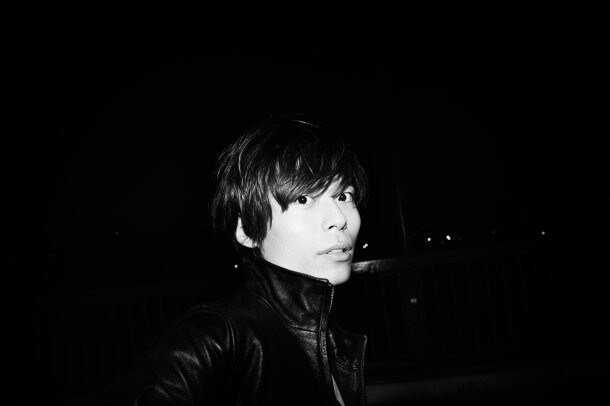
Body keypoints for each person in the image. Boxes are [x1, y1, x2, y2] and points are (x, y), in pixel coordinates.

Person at [96, 113, 369, 405]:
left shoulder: (333, 339)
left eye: (344, 196)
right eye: (303, 199)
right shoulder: (219, 335)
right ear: (248, 230)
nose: (339, 218)